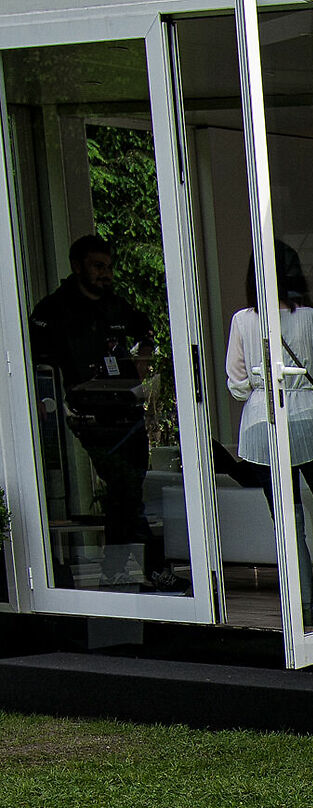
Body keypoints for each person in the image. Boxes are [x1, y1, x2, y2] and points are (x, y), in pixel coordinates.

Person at [225, 239, 313, 626]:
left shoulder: (243, 321)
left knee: (288, 522)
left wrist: (264, 384)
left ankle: (304, 608)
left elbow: (236, 386)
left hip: (263, 428)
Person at [28, 234, 168, 588]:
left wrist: (144, 356)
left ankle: (114, 571)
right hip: (84, 417)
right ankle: (152, 567)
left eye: (109, 267)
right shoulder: (53, 310)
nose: (105, 274)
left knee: (127, 492)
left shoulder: (117, 306)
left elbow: (145, 329)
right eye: (97, 266)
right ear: (78, 267)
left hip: (125, 410)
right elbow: (36, 364)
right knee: (124, 487)